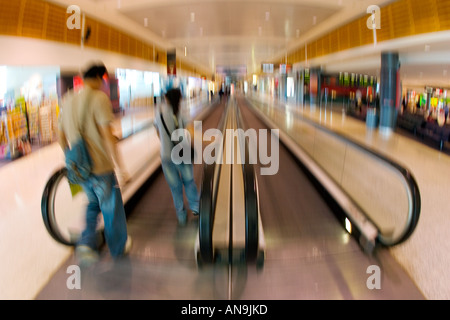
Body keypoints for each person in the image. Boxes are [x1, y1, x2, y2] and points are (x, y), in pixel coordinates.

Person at [57, 62, 131, 266]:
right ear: (100, 78)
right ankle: (117, 250)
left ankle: (87, 243)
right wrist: (122, 168)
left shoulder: (68, 99)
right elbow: (108, 136)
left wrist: (71, 157)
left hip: (79, 170)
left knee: (92, 204)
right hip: (101, 168)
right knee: (111, 208)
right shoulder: (99, 98)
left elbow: (61, 137)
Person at [154, 87, 199, 226]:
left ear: (166, 98)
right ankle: (196, 209)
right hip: (182, 154)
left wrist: (166, 145)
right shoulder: (183, 112)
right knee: (189, 182)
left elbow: (157, 132)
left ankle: (181, 215)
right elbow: (191, 132)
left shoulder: (159, 112)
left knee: (175, 187)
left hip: (166, 156)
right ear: (180, 99)